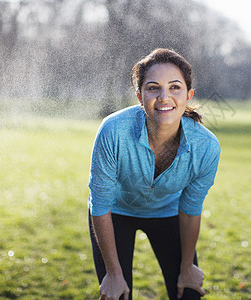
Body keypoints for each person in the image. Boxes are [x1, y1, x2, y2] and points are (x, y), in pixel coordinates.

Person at [88, 48, 221, 300]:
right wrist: (114, 273)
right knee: (117, 295)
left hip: (168, 213)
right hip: (114, 212)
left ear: (188, 95)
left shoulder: (206, 147)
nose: (164, 97)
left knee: (188, 293)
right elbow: (100, 202)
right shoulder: (113, 130)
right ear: (139, 96)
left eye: (174, 87)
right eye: (153, 88)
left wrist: (186, 267)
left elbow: (191, 208)